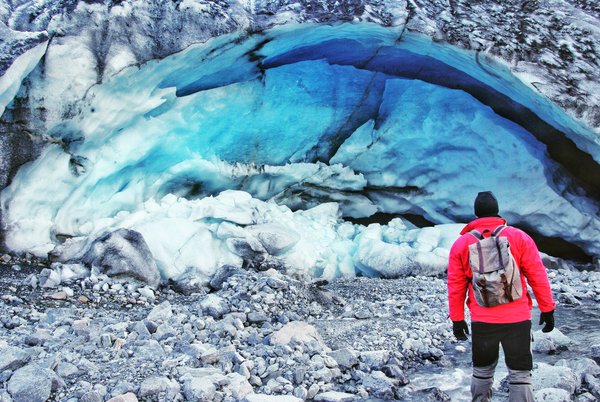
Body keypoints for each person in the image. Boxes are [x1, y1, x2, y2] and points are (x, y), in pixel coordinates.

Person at [447, 191, 556, 402]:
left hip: (483, 320)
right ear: (498, 211)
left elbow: (456, 285)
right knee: (520, 375)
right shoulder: (519, 237)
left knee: (482, 372)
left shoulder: (461, 245)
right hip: (517, 319)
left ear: (476, 214)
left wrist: (457, 319)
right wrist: (547, 308)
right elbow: (537, 275)